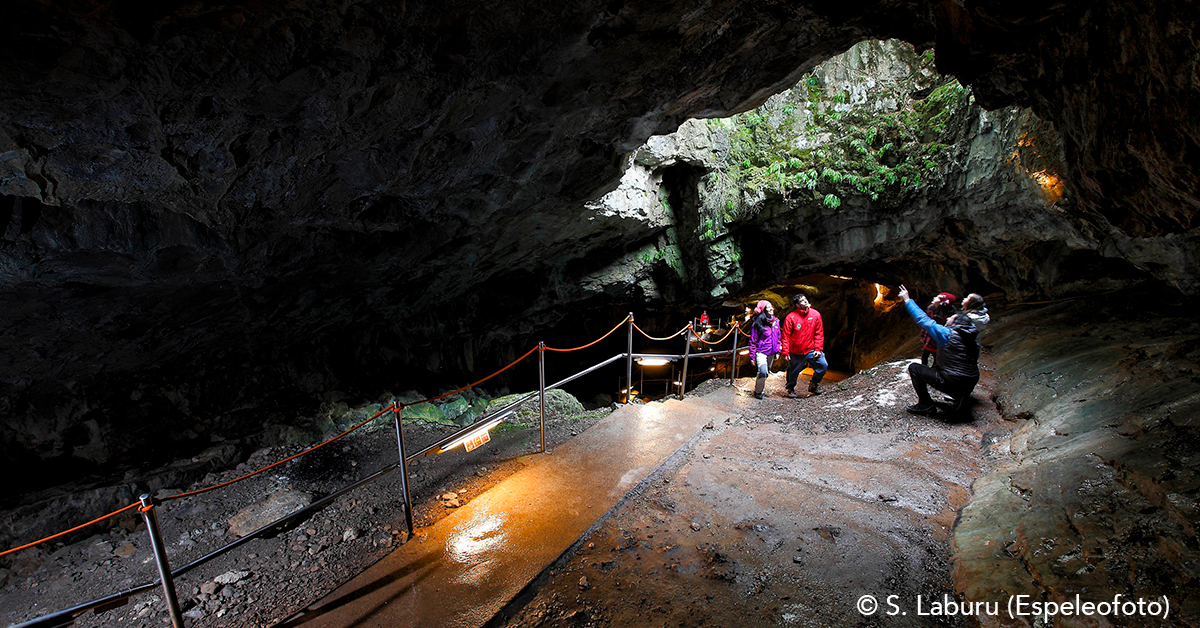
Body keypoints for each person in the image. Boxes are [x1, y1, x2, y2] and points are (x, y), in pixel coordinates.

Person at [898, 285, 980, 416]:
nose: (948, 320)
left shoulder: (947, 335)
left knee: (915, 368)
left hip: (953, 381)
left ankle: (925, 404)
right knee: (942, 367)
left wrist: (907, 300)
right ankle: (961, 397)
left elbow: (923, 320)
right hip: (970, 383)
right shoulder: (972, 340)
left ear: (956, 324)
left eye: (950, 320)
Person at [781, 294, 826, 397]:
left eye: (805, 299)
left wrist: (818, 348)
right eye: (802, 301)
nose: (805, 301)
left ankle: (813, 385)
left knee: (823, 365)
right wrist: (785, 351)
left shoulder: (815, 315)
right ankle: (791, 388)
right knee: (793, 371)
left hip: (811, 348)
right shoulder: (791, 317)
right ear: (797, 305)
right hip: (796, 350)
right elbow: (786, 336)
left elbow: (819, 332)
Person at [747, 300, 781, 399]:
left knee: (766, 372)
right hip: (761, 352)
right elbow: (753, 340)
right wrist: (752, 356)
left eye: (771, 307)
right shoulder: (758, 324)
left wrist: (778, 350)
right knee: (763, 371)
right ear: (763, 310)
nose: (771, 309)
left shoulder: (776, 322)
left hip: (771, 352)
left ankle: (760, 390)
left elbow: (778, 337)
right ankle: (757, 392)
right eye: (768, 307)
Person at [920, 292, 957, 367]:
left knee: (936, 359)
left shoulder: (947, 317)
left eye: (939, 298)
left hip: (937, 343)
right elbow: (925, 324)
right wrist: (923, 335)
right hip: (928, 340)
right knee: (924, 357)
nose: (935, 298)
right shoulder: (931, 309)